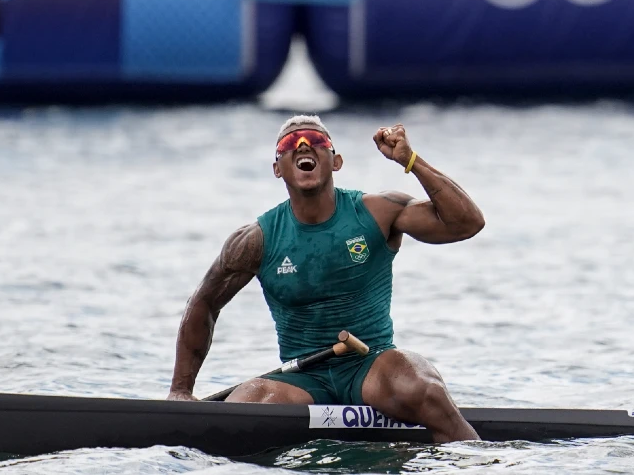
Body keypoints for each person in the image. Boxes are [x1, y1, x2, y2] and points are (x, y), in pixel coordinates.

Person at [168, 115, 485, 442]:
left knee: (424, 390)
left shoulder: (378, 212)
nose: (303, 145)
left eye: (314, 141)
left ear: (336, 161)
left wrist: (410, 161)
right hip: (302, 379)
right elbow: (204, 302)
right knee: (243, 408)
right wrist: (180, 390)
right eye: (290, 144)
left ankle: (472, 456)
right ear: (278, 169)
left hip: (371, 366)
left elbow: (466, 223)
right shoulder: (255, 241)